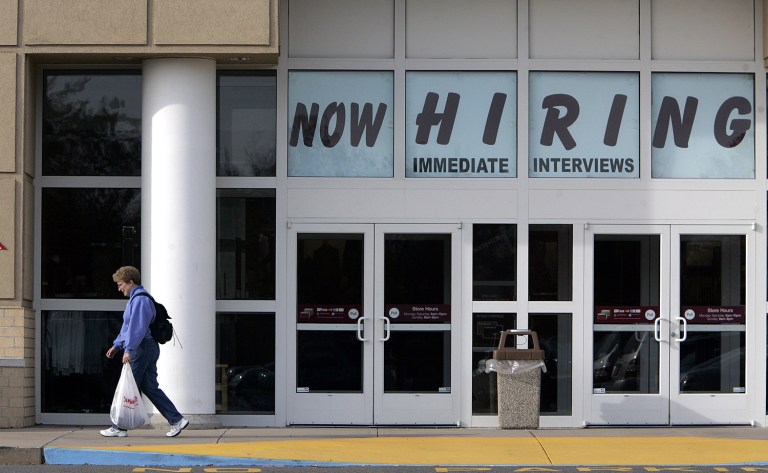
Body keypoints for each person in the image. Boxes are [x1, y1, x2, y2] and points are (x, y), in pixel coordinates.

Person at [100, 266, 189, 438]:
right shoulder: (137, 299)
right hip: (147, 347)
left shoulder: (140, 300)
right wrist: (116, 346)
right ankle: (177, 420)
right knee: (149, 387)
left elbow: (136, 329)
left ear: (130, 282)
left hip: (141, 348)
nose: (119, 288)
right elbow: (128, 327)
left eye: (120, 284)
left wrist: (128, 349)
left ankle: (118, 427)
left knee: (126, 387)